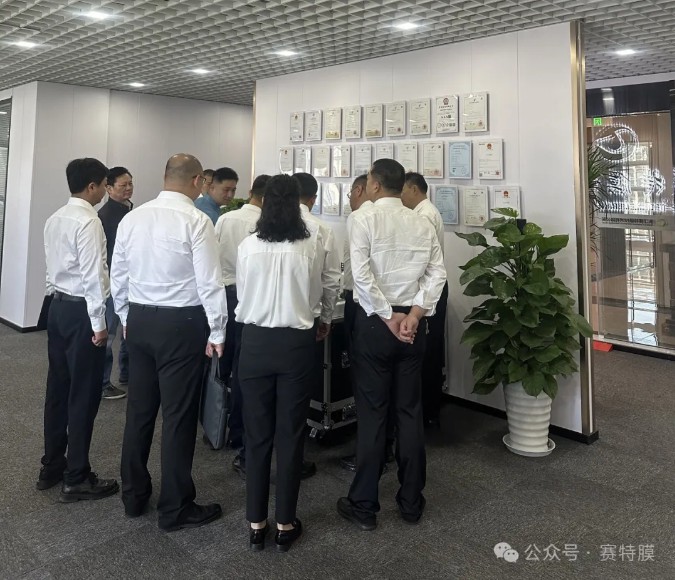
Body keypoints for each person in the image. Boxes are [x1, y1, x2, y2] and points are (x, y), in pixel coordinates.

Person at [111, 154, 228, 532]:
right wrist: (218, 331)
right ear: (197, 181)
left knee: (139, 412)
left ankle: (133, 496)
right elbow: (210, 282)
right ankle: (175, 507)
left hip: (140, 320)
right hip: (182, 324)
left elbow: (118, 274)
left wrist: (126, 317)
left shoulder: (133, 217)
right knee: (178, 416)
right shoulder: (196, 220)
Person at [337, 159, 446, 531]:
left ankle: (364, 504)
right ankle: (411, 501)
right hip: (412, 327)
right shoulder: (421, 221)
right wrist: (413, 315)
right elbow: (437, 274)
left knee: (373, 413)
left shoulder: (363, 218)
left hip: (376, 324)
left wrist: (388, 317)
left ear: (374, 184)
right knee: (409, 412)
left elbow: (361, 274)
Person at [237, 174, 338, 552]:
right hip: (297, 343)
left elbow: (243, 294)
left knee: (256, 434)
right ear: (299, 204)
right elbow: (329, 286)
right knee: (291, 434)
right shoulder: (312, 244)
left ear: (263, 203)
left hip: (255, 343)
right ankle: (284, 522)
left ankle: (255, 523)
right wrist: (325, 318)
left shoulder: (248, 245)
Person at [38, 157, 119, 502]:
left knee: (58, 388)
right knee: (84, 394)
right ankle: (77, 476)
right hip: (82, 313)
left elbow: (50, 267)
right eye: (104, 185)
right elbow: (93, 276)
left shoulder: (55, 217)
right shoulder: (89, 221)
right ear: (92, 186)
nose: (105, 192)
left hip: (57, 308)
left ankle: (52, 466)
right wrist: (99, 325)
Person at [338, 175, 395, 473]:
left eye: (350, 192)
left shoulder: (360, 218)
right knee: (388, 387)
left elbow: (360, 274)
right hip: (393, 308)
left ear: (361, 189)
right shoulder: (399, 217)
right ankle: (384, 447)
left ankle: (370, 455)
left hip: (365, 305)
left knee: (367, 386)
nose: (349, 197)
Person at [213, 174, 270, 471]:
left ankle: (217, 424)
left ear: (250, 192)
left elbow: (212, 256)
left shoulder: (226, 218)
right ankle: (240, 430)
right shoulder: (265, 224)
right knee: (243, 368)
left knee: (222, 365)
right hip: (251, 298)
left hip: (224, 294)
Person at [293, 172, 342, 478]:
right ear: (313, 199)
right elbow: (332, 280)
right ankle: (294, 458)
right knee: (298, 394)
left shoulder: (263, 227)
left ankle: (251, 457)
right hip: (304, 324)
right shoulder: (321, 229)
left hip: (262, 328)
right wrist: (326, 319)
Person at [401, 172, 449, 429]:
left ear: (413, 189)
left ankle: (428, 411)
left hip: (429, 289)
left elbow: (422, 261)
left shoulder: (424, 216)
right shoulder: (423, 212)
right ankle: (428, 409)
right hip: (429, 288)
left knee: (428, 350)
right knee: (428, 349)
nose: (400, 197)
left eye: (402, 191)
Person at [98, 166, 134, 400]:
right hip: (112, 284)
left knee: (128, 331)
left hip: (130, 282)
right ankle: (102, 383)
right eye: (123, 185)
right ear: (109, 188)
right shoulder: (106, 216)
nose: (129, 188)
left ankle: (126, 373)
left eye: (130, 183)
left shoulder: (129, 210)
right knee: (109, 335)